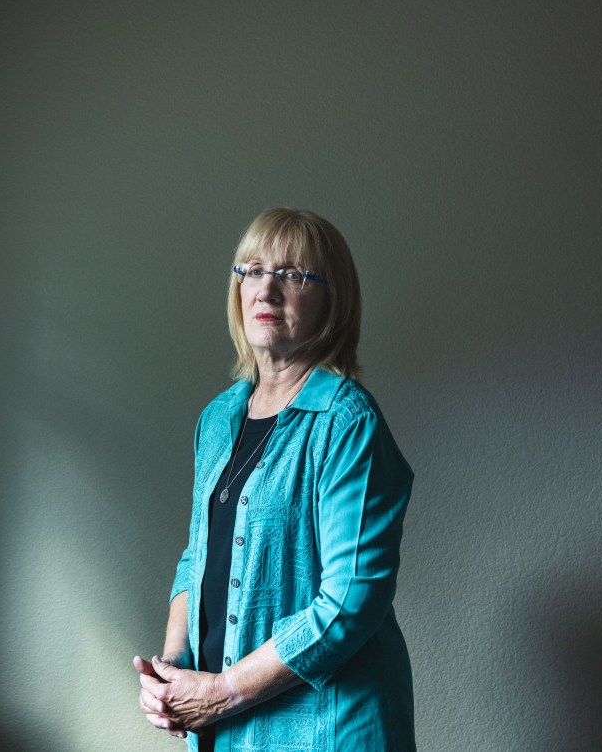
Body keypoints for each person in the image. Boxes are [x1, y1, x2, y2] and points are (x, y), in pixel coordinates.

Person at [134, 208, 416, 751]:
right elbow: (197, 557)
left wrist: (222, 692)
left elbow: (349, 601)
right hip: (225, 726)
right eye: (251, 270)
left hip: (327, 730)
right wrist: (172, 670)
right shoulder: (218, 419)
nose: (265, 288)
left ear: (333, 300)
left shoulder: (347, 421)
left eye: (293, 274)